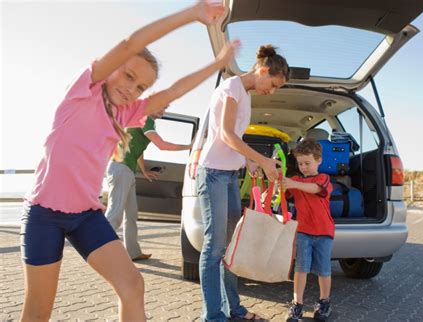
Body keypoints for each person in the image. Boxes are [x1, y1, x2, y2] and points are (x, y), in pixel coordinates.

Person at [20, 2, 237, 321]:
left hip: (85, 216)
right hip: (43, 215)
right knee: (39, 311)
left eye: (140, 87)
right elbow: (132, 44)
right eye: (129, 76)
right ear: (113, 67)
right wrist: (192, 14)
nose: (131, 89)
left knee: (133, 285)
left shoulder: (127, 113)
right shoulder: (84, 91)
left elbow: (175, 90)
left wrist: (217, 64)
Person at [197, 44, 289, 321]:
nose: (271, 91)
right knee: (214, 248)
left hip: (228, 175)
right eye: (272, 84)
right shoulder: (231, 88)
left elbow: (232, 141)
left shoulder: (244, 95)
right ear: (262, 70)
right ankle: (214, 316)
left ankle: (234, 309)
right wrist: (261, 159)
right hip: (212, 174)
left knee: (230, 247)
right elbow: (225, 134)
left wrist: (247, 162)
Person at [105, 107, 191, 261]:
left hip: (127, 170)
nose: (162, 112)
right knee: (115, 213)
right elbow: (162, 145)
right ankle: (100, 250)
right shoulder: (145, 118)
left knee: (131, 214)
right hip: (120, 168)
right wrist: (190, 146)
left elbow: (138, 149)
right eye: (161, 107)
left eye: (164, 109)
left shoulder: (143, 121)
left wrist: (144, 170)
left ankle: (133, 253)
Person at [281, 139, 334, 322]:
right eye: (300, 163)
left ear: (318, 160)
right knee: (300, 268)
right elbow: (282, 192)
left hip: (324, 232)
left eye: (307, 163)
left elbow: (316, 189)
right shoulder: (294, 180)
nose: (303, 167)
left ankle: (324, 302)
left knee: (323, 270)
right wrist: (278, 183)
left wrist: (293, 184)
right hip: (303, 231)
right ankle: (297, 304)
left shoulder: (323, 178)